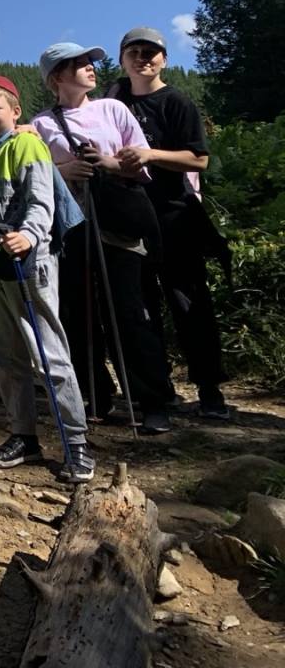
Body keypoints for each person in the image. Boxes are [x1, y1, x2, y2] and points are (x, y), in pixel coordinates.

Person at [32, 42, 176, 434]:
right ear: (57, 77)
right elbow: (38, 174)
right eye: (78, 64)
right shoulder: (41, 124)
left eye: (89, 62)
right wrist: (65, 170)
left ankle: (152, 399)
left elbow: (141, 160)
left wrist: (108, 163)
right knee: (78, 312)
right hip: (71, 227)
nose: (90, 68)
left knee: (129, 310)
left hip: (118, 221)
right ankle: (96, 394)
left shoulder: (113, 109)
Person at [0, 76, 94, 483]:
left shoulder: (27, 145)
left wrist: (30, 235)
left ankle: (76, 443)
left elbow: (40, 200)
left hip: (29, 262)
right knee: (5, 353)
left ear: (15, 111)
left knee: (47, 353)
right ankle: (24, 436)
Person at [109, 26, 229, 419]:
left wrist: (150, 155)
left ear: (164, 59)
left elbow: (199, 159)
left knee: (188, 302)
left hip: (175, 215)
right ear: (122, 59)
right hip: (130, 215)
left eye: (150, 52)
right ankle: (157, 392)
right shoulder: (113, 99)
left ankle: (210, 390)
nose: (142, 59)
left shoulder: (176, 101)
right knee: (140, 307)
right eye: (134, 52)